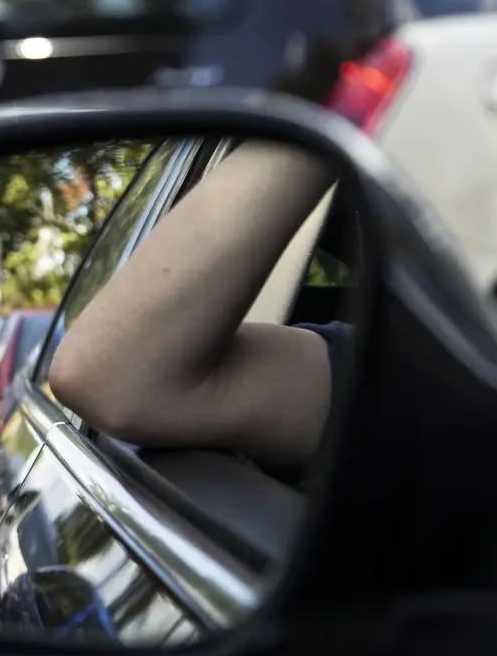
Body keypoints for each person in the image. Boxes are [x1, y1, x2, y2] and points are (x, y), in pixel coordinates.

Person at [48, 139, 349, 477]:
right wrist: (332, 114)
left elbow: (97, 374)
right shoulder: (396, 369)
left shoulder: (394, 371)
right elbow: (102, 375)